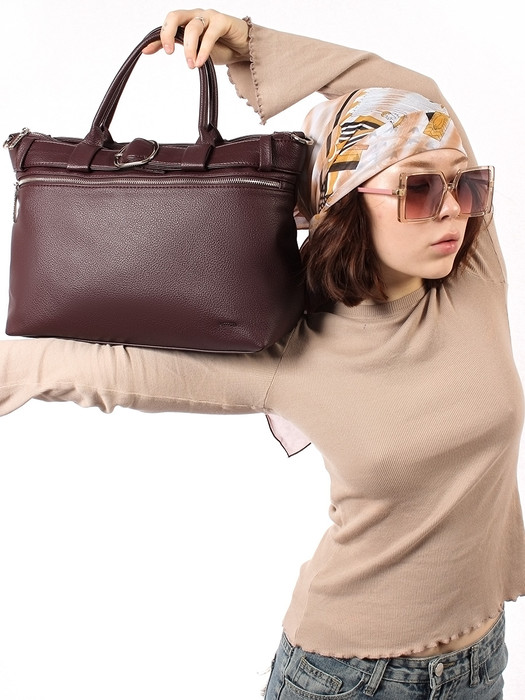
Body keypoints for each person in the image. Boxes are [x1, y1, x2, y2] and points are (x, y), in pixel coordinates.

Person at [1, 8, 524, 699]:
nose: (454, 208)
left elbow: (415, 90)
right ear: (344, 201)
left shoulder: (473, 277)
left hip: (481, 658)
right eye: (418, 188)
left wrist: (245, 42)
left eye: (467, 183)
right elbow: (112, 370)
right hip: (348, 677)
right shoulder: (288, 348)